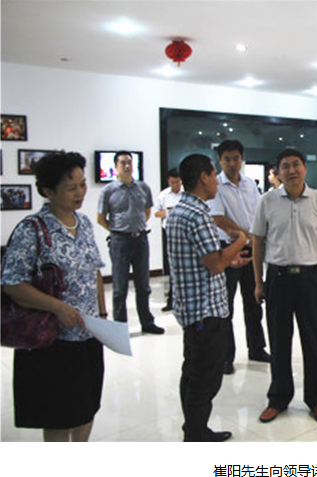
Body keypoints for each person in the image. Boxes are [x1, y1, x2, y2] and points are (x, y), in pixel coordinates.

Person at [2, 151, 107, 442]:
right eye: (71, 187)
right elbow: (12, 284)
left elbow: (95, 270)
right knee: (58, 415)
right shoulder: (31, 230)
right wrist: (58, 307)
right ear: (48, 191)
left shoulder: (84, 223)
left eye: (82, 184)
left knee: (86, 407)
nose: (80, 192)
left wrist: (102, 315)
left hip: (87, 335)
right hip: (52, 340)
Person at [251, 148, 317, 424]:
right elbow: (257, 241)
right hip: (277, 279)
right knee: (279, 342)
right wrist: (258, 281)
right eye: (285, 166)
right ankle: (278, 398)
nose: (291, 170)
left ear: (304, 167)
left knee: (314, 341)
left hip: (310, 279)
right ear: (277, 172)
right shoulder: (266, 201)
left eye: (296, 164)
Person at [166, 153, 250, 442]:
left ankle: (193, 427)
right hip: (206, 311)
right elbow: (215, 264)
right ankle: (196, 432)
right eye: (214, 175)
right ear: (203, 177)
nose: (216, 181)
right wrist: (240, 239)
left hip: (190, 309)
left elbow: (201, 260)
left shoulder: (179, 211)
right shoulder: (199, 215)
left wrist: (230, 261)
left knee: (192, 372)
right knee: (205, 378)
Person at [208, 140, 270, 374]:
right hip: (228, 249)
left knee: (254, 300)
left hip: (252, 248)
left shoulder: (250, 184)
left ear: (242, 159)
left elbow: (258, 213)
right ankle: (226, 357)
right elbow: (218, 219)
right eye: (227, 159)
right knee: (226, 305)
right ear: (220, 161)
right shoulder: (216, 186)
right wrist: (246, 236)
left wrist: (256, 238)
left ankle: (257, 348)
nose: (232, 163)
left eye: (236, 158)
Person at [97, 151, 164, 334]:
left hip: (141, 240)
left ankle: (147, 323)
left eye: (129, 162)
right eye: (123, 163)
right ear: (115, 166)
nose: (127, 166)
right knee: (120, 288)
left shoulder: (143, 187)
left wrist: (135, 227)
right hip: (119, 241)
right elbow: (100, 218)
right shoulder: (108, 190)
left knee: (143, 285)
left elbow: (147, 212)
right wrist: (117, 231)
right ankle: (120, 328)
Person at [154, 168, 183, 312]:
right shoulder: (164, 195)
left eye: (177, 182)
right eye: (172, 182)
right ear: (168, 181)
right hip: (170, 233)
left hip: (184, 232)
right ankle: (171, 300)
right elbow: (156, 213)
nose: (175, 185)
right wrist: (169, 212)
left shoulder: (187, 193)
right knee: (172, 267)